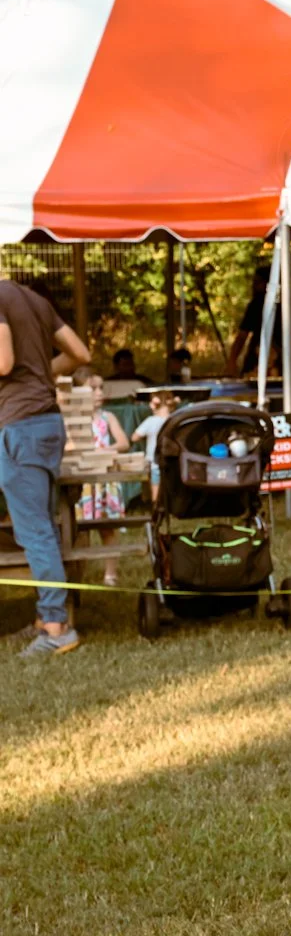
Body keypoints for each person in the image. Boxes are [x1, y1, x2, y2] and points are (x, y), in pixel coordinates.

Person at [1, 275, 92, 656]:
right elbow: (79, 354)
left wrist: (23, 378)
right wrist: (40, 375)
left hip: (19, 425)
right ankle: (46, 616)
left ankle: (56, 626)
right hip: (48, 422)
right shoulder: (31, 298)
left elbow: (3, 362)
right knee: (43, 527)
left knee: (35, 531)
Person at [68, 366, 131, 586]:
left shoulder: (107, 417)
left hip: (105, 480)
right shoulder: (73, 419)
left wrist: (102, 452)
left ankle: (110, 573)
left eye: (101, 388)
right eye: (92, 388)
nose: (99, 393)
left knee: (107, 527)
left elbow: (123, 443)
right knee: (77, 530)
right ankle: (76, 573)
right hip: (81, 482)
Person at [129, 389, 177, 496]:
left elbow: (134, 437)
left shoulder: (150, 421)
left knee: (156, 489)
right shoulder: (175, 420)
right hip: (172, 461)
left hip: (155, 461)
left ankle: (156, 508)